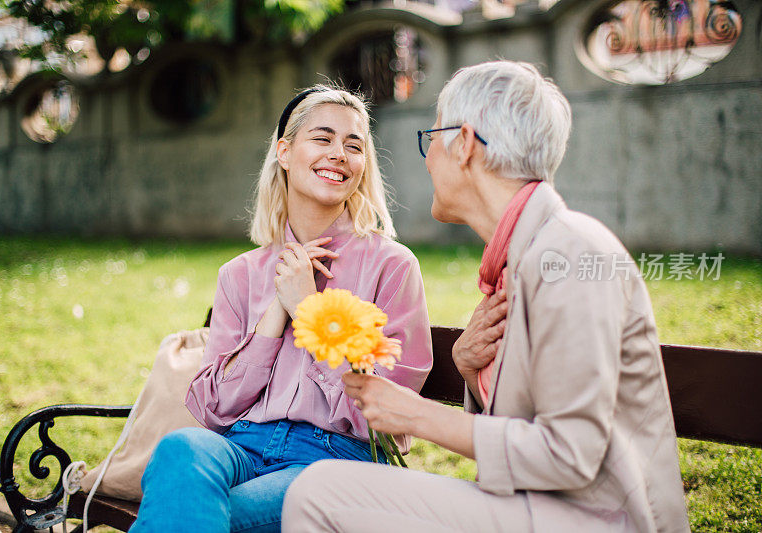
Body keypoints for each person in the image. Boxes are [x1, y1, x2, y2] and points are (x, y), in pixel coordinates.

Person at [282, 62, 690, 532]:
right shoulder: (523, 257)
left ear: (466, 145)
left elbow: (570, 454)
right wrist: (473, 375)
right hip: (538, 509)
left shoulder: (571, 253)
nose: (428, 155)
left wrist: (418, 415)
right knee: (318, 492)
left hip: (596, 519)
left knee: (318, 494)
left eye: (432, 137)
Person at [129, 86, 433, 532]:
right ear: (285, 152)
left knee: (194, 512)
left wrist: (309, 310)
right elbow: (214, 407)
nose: (339, 154)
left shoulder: (392, 266)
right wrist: (275, 314)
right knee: (181, 450)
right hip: (243, 447)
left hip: (337, 462)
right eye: (323, 138)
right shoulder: (241, 274)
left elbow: (388, 413)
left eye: (354, 145)